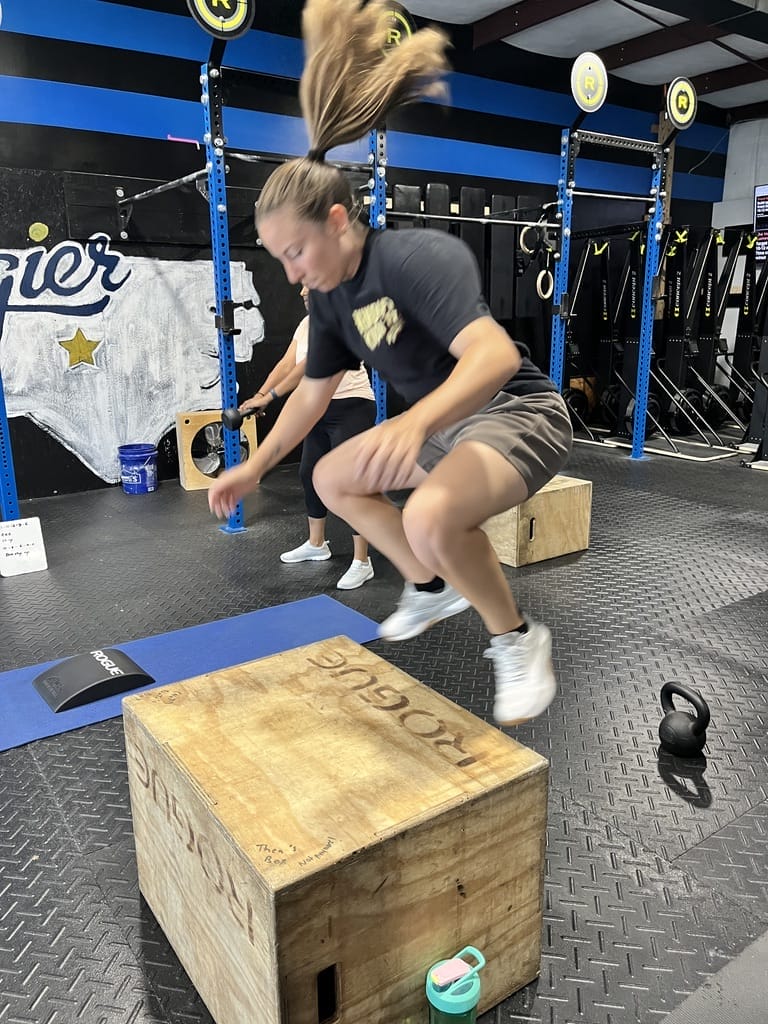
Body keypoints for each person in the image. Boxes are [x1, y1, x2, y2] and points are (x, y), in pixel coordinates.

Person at [209, 0, 573, 726]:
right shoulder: (333, 303)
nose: (290, 274)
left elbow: (495, 357)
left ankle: (519, 640)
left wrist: (418, 422)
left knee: (435, 513)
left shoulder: (413, 258)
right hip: (449, 430)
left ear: (338, 223)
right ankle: (429, 585)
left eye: (297, 252)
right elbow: (311, 399)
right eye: (279, 259)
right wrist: (256, 465)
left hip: (518, 413)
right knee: (331, 474)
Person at [240, 285, 377, 590]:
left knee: (349, 483)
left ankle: (362, 561)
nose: (302, 291)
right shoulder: (306, 325)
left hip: (351, 406)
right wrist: (260, 394)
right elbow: (287, 364)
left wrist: (271, 396)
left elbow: (309, 366)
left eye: (309, 286)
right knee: (308, 473)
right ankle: (317, 544)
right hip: (318, 408)